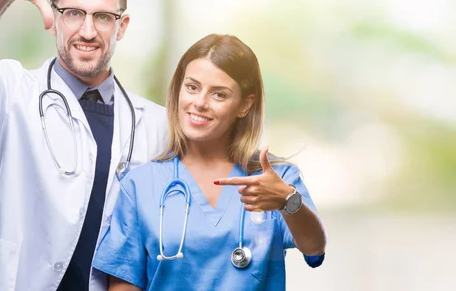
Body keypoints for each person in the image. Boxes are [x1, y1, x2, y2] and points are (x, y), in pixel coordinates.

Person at [0, 0, 168, 290]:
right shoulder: (11, 96)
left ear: (122, 26)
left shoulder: (156, 125)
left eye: (102, 16)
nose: (87, 31)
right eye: (73, 13)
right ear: (55, 18)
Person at [92, 34, 327, 291]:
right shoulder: (141, 185)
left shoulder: (277, 180)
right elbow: (124, 283)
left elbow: (314, 248)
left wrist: (288, 201)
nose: (200, 103)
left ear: (244, 106)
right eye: (192, 87)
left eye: (219, 94)